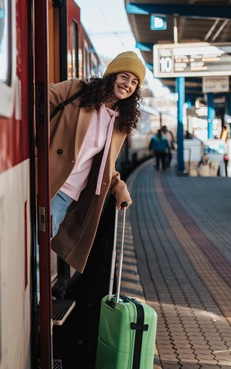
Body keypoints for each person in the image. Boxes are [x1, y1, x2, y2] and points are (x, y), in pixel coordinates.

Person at [47, 51, 144, 274]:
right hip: (44, 177)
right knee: (28, 243)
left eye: (134, 81)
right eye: (124, 76)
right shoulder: (77, 90)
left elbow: (106, 165)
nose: (127, 84)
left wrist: (119, 186)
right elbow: (39, 99)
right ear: (112, 76)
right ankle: (32, 300)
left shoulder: (120, 123)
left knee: (38, 244)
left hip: (66, 193)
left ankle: (35, 298)